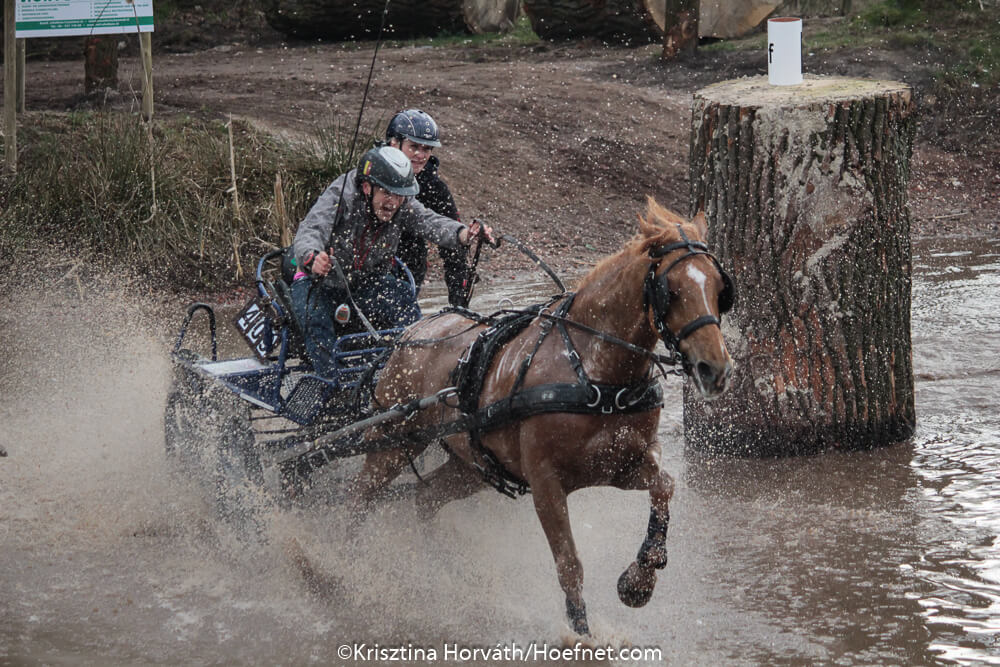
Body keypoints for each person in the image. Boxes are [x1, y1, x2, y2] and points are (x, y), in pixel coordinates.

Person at [291, 144, 491, 377]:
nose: (393, 202)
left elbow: (430, 222)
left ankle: (408, 373)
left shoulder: (402, 203)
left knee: (402, 297)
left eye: (398, 195)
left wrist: (464, 234)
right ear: (367, 187)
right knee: (315, 321)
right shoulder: (341, 194)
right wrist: (313, 257)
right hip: (319, 281)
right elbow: (310, 230)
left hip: (365, 281)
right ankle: (332, 384)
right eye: (387, 193)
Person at [385, 109, 472, 308]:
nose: (420, 155)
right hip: (366, 265)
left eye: (426, 149)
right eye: (414, 147)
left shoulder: (435, 188)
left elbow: (454, 251)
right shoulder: (368, 176)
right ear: (394, 143)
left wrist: (458, 305)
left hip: (408, 268)